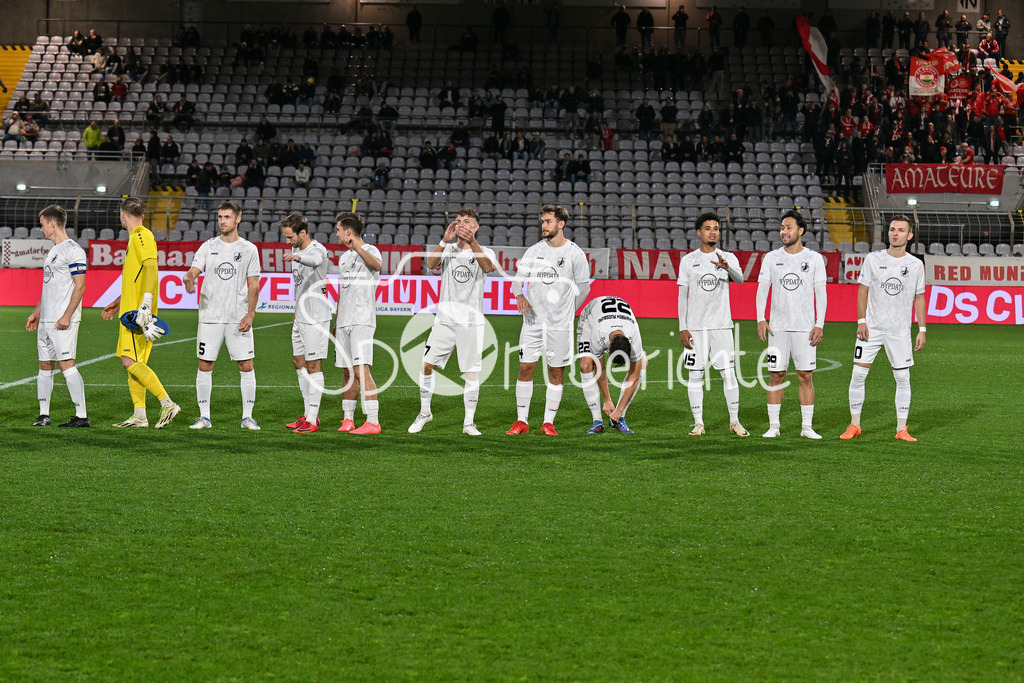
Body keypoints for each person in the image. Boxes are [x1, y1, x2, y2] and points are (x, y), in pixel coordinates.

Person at [408, 207, 496, 436]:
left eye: (467, 221)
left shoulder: (484, 251)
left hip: (471, 322)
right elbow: (430, 265)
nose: (461, 224)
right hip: (445, 321)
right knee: (426, 365)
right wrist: (444, 240)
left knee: (471, 373)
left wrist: (473, 243)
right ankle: (425, 413)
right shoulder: (447, 249)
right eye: (458, 221)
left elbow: (488, 267)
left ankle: (468, 423)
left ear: (476, 227)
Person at [507, 205, 591, 436]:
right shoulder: (534, 251)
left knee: (556, 373)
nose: (543, 226)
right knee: (525, 368)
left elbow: (584, 287)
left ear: (560, 224)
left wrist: (569, 308)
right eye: (542, 221)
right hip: (533, 323)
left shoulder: (574, 253)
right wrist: (520, 295)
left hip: (560, 326)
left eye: (548, 221)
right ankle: (521, 421)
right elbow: (517, 281)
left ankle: (548, 422)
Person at [840, 216, 926, 442]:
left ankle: (901, 429)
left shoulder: (916, 265)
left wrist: (922, 329)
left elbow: (919, 297)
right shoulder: (873, 259)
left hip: (899, 331)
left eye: (900, 230)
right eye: (892, 229)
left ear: (910, 236)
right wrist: (861, 321)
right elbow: (862, 291)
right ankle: (854, 425)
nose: (894, 233)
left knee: (903, 378)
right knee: (858, 374)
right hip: (872, 328)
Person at [100, 197, 180, 428]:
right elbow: (136, 278)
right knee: (135, 363)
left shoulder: (142, 235)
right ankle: (140, 416)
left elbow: (152, 267)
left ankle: (167, 403)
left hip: (137, 314)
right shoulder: (136, 237)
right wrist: (118, 302)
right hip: (131, 308)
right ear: (142, 215)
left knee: (128, 361)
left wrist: (145, 303)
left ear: (122, 216)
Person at [181, 201, 261, 430]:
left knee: (246, 365)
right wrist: (189, 279)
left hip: (238, 317)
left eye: (227, 216)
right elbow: (193, 271)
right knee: (205, 364)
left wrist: (250, 313)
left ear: (238, 219)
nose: (222, 221)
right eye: (220, 217)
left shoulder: (249, 249)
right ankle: (204, 417)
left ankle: (248, 417)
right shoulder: (208, 246)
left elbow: (253, 284)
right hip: (210, 316)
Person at [756, 210, 827, 439]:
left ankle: (806, 427)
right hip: (778, 327)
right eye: (782, 228)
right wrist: (761, 318)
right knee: (776, 375)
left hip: (805, 327)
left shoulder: (814, 259)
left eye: (788, 227)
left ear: (801, 230)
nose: (783, 232)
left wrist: (819, 324)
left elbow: (821, 293)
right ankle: (774, 426)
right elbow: (762, 289)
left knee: (805, 375)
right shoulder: (771, 257)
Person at [678, 212, 748, 437]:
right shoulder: (689, 260)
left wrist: (727, 267)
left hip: (721, 326)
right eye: (708, 228)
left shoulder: (727, 257)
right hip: (696, 328)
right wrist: (683, 326)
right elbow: (682, 295)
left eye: (716, 228)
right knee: (695, 375)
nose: (713, 232)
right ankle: (698, 423)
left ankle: (735, 421)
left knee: (729, 374)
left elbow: (741, 279)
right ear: (699, 232)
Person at [25, 205, 90, 428]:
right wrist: (36, 312)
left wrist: (67, 315)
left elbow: (80, 286)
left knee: (66, 364)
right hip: (46, 320)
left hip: (62, 321)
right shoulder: (53, 251)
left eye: (43, 224)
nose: (41, 228)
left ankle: (81, 416)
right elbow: (49, 288)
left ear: (53, 224)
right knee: (45, 365)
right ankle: (44, 414)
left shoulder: (74, 250)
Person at [279, 213, 332, 433]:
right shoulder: (295, 249)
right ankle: (308, 414)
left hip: (316, 318)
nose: (287, 242)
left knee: (313, 365)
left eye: (290, 237)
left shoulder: (316, 249)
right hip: (300, 316)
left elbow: (316, 261)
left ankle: (312, 419)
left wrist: (298, 258)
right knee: (298, 362)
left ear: (302, 233)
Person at [334, 212, 383, 434]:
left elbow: (377, 265)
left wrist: (358, 247)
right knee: (347, 372)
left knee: (361, 370)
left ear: (348, 232)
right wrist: (336, 321)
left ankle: (373, 421)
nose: (337, 233)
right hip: (344, 321)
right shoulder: (343, 258)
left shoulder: (370, 250)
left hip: (362, 320)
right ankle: (348, 419)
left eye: (338, 229)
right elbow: (342, 293)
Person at [577, 296, 646, 435]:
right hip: (589, 320)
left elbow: (635, 376)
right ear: (608, 347)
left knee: (642, 363)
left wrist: (619, 409)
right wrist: (607, 400)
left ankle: (619, 419)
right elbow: (600, 368)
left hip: (616, 318)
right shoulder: (598, 334)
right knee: (586, 365)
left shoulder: (634, 334)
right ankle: (597, 421)